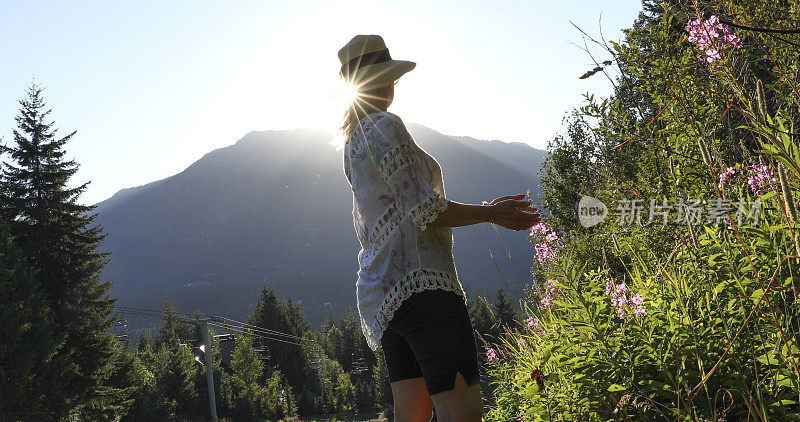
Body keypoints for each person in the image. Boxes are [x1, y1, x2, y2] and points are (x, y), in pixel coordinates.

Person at [338, 35, 540, 422]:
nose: (389, 85)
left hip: (386, 298)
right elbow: (424, 210)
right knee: (461, 410)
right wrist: (491, 213)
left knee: (410, 413)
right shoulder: (385, 127)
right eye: (383, 77)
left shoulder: (352, 143)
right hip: (424, 287)